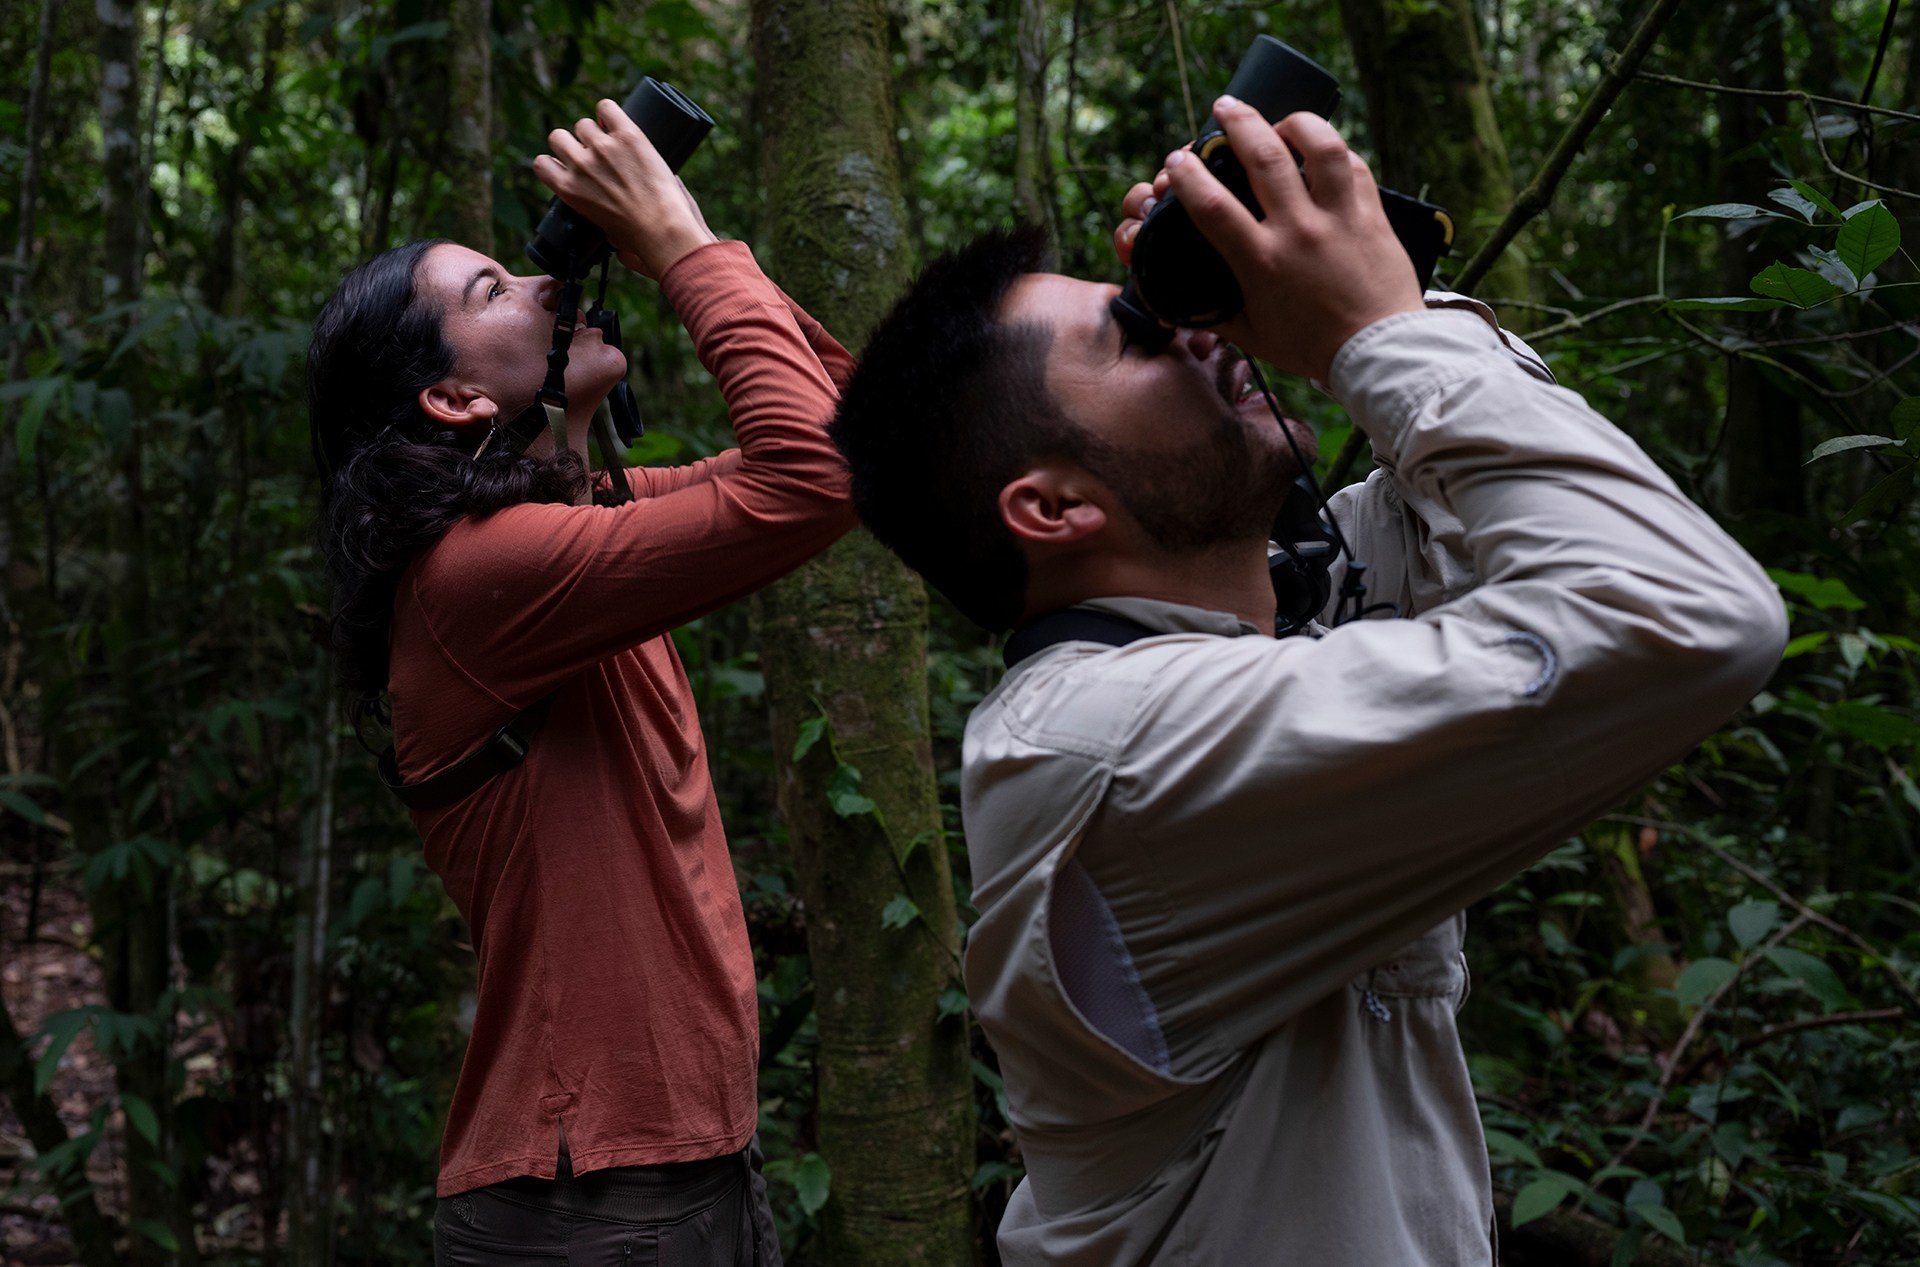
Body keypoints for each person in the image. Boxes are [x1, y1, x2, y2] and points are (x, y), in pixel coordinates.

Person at [828, 97, 1786, 1264]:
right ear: (1054, 506)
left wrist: (1368, 284)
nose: (1189, 331)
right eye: (1136, 335)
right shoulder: (1108, 747)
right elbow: (1687, 610)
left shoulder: (1266, 628)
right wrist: (1369, 332)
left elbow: (1503, 497)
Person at [309, 100, 854, 1265]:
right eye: (493, 291)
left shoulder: (577, 526)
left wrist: (687, 244)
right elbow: (809, 480)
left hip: (672, 1170)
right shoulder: (475, 573)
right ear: (455, 399)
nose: (545, 283)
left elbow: (859, 437)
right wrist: (678, 245)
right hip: (592, 1201)